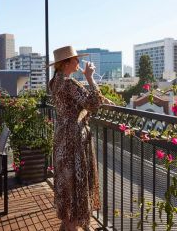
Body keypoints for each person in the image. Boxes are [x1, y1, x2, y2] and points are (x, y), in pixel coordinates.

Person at [49, 46, 113, 231]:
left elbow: (80, 101)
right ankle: (71, 226)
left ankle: (66, 223)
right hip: (74, 138)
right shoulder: (69, 84)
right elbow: (92, 103)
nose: (78, 62)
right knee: (77, 182)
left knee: (66, 181)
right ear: (67, 63)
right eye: (75, 59)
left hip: (61, 136)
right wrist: (90, 77)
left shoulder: (55, 82)